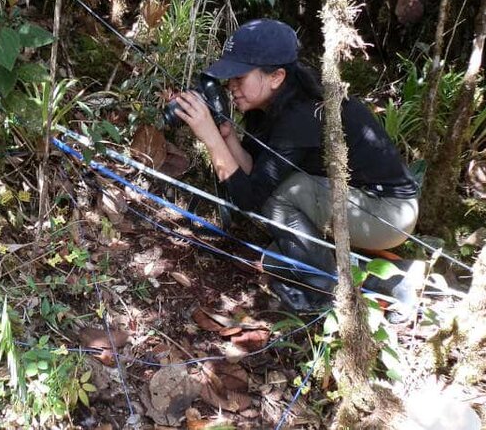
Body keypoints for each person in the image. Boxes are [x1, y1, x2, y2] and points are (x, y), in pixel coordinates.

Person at [171, 19, 421, 319]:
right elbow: (258, 179)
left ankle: (325, 290)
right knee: (278, 257)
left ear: (276, 76)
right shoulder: (268, 107)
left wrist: (210, 139)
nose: (231, 86)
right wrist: (228, 139)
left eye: (239, 76)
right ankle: (395, 277)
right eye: (229, 78)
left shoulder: (302, 115)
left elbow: (252, 199)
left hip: (387, 212)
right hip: (353, 202)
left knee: (285, 198)